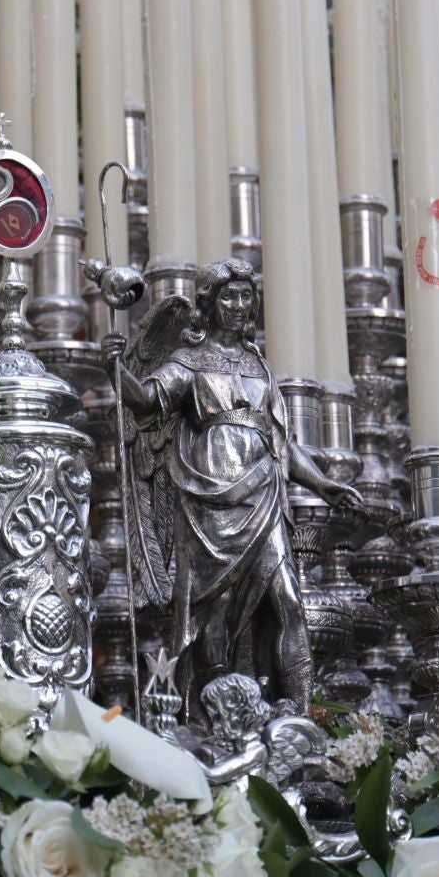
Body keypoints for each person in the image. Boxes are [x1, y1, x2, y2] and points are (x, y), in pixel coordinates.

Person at [118, 259, 359, 720]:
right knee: (216, 610)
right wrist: (117, 366)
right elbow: (146, 401)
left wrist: (326, 485)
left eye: (246, 296)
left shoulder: (258, 366)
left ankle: (298, 711)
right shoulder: (187, 361)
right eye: (229, 296)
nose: (239, 305)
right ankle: (218, 716)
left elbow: (282, 443)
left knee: (287, 597)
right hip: (209, 500)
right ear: (209, 303)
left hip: (264, 493)